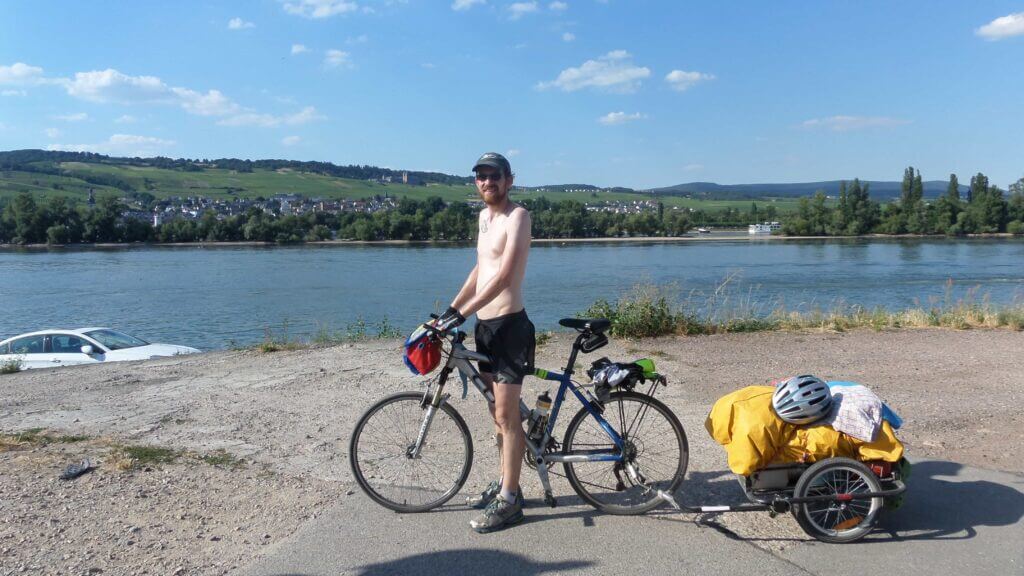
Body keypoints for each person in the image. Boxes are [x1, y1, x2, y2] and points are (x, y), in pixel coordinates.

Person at [433, 151, 534, 533]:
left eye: (494, 176)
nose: (487, 182)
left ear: (509, 180)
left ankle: (510, 502)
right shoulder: (484, 218)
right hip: (485, 328)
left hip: (509, 327)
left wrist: (462, 313)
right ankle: (509, 483)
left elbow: (505, 276)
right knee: (498, 413)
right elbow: (481, 269)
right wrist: (451, 309)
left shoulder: (517, 217)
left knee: (508, 417)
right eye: (481, 176)